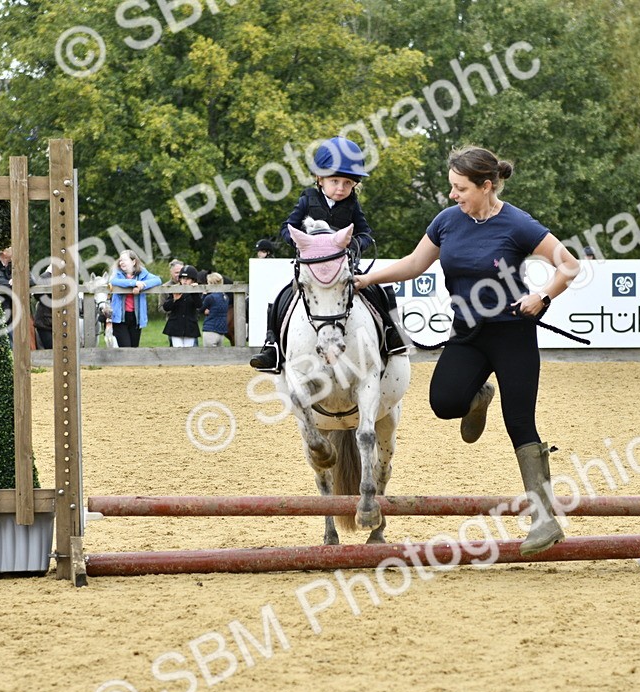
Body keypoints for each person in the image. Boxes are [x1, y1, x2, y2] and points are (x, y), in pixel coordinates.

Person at [353, 145, 579, 556]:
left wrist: (543, 296)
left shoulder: (517, 223)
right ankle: (479, 397)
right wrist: (367, 280)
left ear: (486, 186)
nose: (453, 194)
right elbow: (413, 264)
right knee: (444, 402)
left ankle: (544, 519)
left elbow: (569, 265)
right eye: (452, 187)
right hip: (467, 334)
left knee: (520, 422)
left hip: (513, 334)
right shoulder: (446, 222)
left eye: (460, 188)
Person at [249, 136, 406, 372]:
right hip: (312, 266)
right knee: (278, 293)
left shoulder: (352, 204)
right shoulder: (307, 199)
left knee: (381, 288)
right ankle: (272, 346)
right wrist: (301, 243)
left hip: (343, 267)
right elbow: (286, 228)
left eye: (347, 183)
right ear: (319, 178)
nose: (341, 188)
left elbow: (365, 234)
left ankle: (392, 332)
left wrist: (353, 245)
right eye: (335, 181)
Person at [108, 250, 162, 348]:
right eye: (120, 260)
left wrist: (143, 285)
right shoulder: (117, 274)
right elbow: (114, 281)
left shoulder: (142, 274)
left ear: (133, 262)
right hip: (120, 318)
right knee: (125, 348)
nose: (121, 262)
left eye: (125, 260)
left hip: (136, 317)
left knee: (134, 348)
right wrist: (134, 283)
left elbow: (158, 280)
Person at [163, 265, 202, 346]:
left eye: (188, 279)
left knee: (188, 350)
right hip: (175, 326)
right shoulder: (175, 289)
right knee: (177, 349)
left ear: (193, 280)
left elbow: (199, 305)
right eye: (183, 278)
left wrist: (194, 292)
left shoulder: (196, 291)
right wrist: (174, 299)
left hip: (190, 327)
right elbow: (166, 307)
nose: (185, 281)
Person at [201, 272, 230, 347]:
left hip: (210, 330)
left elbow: (200, 309)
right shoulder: (225, 297)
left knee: (209, 353)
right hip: (221, 330)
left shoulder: (210, 297)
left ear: (211, 283)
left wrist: (204, 295)